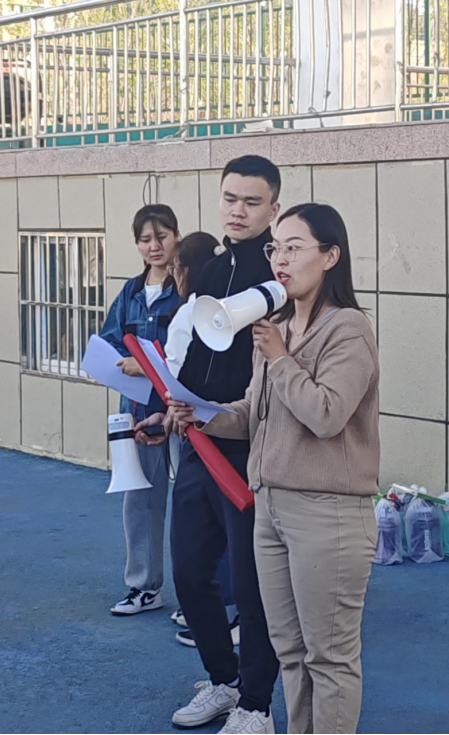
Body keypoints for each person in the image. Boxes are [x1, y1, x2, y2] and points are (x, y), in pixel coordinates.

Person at [151, 203, 380, 735]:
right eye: (276, 248)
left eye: (294, 248)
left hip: (327, 512)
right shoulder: (275, 327)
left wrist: (280, 358)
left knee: (329, 656)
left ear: (331, 256)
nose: (280, 259)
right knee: (291, 650)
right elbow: (255, 413)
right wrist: (203, 416)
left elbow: (326, 414)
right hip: (272, 506)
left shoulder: (348, 329)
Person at [139, 155, 281, 735]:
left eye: (251, 201)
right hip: (199, 443)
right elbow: (196, 356)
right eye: (229, 198)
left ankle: (257, 705)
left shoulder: (281, 272)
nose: (238, 210)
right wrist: (169, 409)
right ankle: (224, 681)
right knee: (192, 573)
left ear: (273, 206)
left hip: (250, 447)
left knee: (252, 586)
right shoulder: (211, 268)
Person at [99, 204, 182, 616]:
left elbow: (193, 346)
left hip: (182, 411)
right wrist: (121, 363)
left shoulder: (186, 289)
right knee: (140, 499)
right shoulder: (131, 292)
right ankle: (144, 588)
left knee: (192, 503)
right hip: (136, 411)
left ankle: (201, 596)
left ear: (176, 236)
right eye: (145, 239)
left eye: (162, 236)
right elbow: (109, 342)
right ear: (136, 244)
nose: (154, 246)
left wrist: (147, 362)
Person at [162, 232, 242, 649]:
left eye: (176, 267)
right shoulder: (217, 306)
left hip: (207, 431)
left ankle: (222, 614)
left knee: (212, 536)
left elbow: (175, 373)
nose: (172, 274)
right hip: (210, 425)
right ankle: (224, 620)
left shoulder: (192, 311)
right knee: (219, 537)